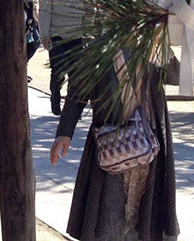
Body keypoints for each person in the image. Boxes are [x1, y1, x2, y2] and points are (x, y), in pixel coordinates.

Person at [50, 55, 178, 241]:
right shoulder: (101, 51)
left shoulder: (154, 47)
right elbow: (78, 91)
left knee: (147, 218)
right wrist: (64, 133)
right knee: (109, 219)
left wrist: (162, 48)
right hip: (112, 145)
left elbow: (175, 77)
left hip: (150, 149)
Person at [39, 0, 95, 115]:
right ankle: (55, 97)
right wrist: (45, 35)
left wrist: (87, 30)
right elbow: (44, 12)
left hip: (76, 37)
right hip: (56, 37)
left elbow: (90, 11)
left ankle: (71, 107)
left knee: (75, 74)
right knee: (59, 70)